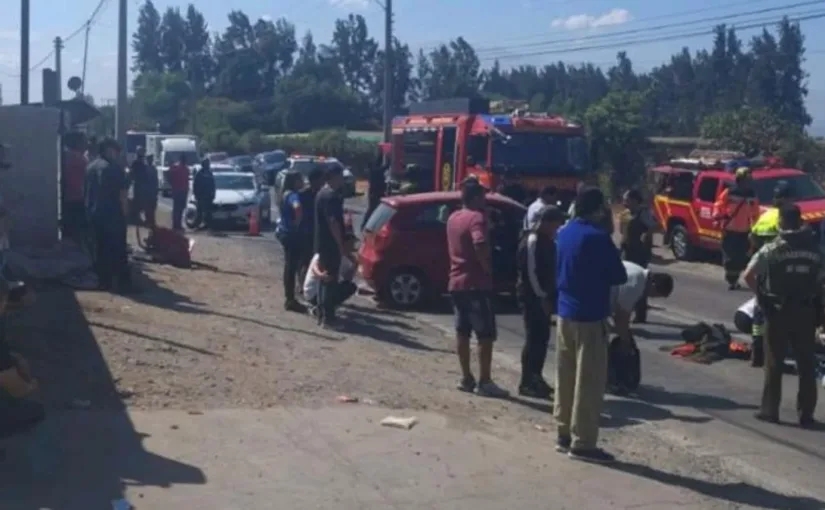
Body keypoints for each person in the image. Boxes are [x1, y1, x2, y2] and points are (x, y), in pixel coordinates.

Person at [554, 185, 627, 463]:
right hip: (590, 316)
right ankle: (583, 442)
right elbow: (618, 275)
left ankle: (563, 431)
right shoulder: (598, 238)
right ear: (599, 210)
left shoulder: (565, 232)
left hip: (565, 313)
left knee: (565, 375)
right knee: (589, 382)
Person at [742, 203, 820, 428]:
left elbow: (748, 275)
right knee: (806, 363)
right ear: (801, 221)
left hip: (777, 312)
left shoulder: (772, 249)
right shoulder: (815, 248)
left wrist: (762, 297)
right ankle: (806, 414)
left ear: (782, 222)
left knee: (774, 361)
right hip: (805, 312)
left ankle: (770, 410)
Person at [446, 179, 509, 398]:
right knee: (485, 335)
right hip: (475, 283)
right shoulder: (477, 219)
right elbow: (479, 243)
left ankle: (466, 377)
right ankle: (485, 380)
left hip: (456, 281)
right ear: (475, 198)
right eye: (482, 196)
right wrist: (488, 267)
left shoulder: (453, 218)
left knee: (462, 332)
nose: (485, 199)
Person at [517, 205, 565, 399]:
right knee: (533, 338)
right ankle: (527, 381)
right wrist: (542, 297)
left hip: (545, 296)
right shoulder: (532, 241)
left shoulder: (548, 241)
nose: (556, 229)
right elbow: (531, 273)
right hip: (532, 297)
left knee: (542, 338)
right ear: (545, 223)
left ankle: (536, 377)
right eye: (554, 225)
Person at [747, 183, 792, 367]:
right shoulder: (783, 218)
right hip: (779, 272)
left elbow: (752, 237)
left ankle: (757, 352)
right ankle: (776, 356)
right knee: (780, 314)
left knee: (760, 312)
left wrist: (757, 253)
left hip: (762, 269)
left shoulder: (765, 216)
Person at [85, 138, 132, 292]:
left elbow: (86, 193)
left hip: (94, 214)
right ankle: (122, 284)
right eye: (115, 150)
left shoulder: (90, 167)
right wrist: (125, 215)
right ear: (108, 150)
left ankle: (103, 281)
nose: (117, 154)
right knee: (118, 249)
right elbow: (122, 195)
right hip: (113, 215)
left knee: (100, 249)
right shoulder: (114, 169)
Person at [314, 164, 350, 327]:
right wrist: (340, 244)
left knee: (324, 278)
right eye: (341, 176)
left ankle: (322, 314)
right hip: (330, 244)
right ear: (334, 177)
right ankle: (328, 317)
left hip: (322, 242)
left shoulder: (321, 193)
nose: (343, 179)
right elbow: (333, 222)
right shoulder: (330, 196)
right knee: (330, 279)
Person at [713, 167, 761, 290]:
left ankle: (735, 279)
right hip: (730, 230)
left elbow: (755, 212)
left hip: (745, 231)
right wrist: (718, 217)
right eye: (746, 180)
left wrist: (755, 228)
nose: (748, 183)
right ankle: (731, 280)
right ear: (739, 180)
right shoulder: (729, 192)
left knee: (741, 257)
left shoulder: (752, 195)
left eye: (749, 180)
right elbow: (718, 205)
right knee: (730, 257)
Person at [619, 188, 656, 323]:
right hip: (625, 251)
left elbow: (654, 227)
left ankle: (640, 314)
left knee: (639, 283)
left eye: (626, 199)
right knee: (624, 282)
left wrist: (647, 236)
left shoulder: (643, 213)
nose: (624, 202)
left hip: (639, 253)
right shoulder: (624, 214)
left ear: (635, 200)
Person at [303, 233, 359, 314]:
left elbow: (347, 279)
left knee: (350, 287)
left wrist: (355, 266)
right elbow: (314, 267)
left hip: (326, 289)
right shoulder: (329, 253)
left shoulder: (345, 259)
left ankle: (328, 306)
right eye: (351, 244)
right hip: (313, 292)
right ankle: (321, 308)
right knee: (329, 287)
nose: (353, 247)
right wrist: (321, 275)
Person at [277, 171, 307, 313]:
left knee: (289, 267)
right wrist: (298, 221)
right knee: (292, 267)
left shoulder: (283, 194)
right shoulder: (293, 195)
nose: (302, 182)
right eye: (300, 179)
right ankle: (290, 299)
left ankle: (289, 297)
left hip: (285, 233)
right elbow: (297, 207)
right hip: (292, 234)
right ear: (295, 181)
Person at [298, 166, 325, 283]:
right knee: (305, 260)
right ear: (314, 180)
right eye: (321, 179)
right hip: (305, 232)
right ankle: (302, 283)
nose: (323, 182)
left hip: (318, 232)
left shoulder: (323, 195)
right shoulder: (303, 195)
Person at [61, 131, 88, 244]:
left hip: (68, 197)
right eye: (83, 141)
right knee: (78, 230)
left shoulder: (66, 155)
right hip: (78, 198)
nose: (86, 144)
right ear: (77, 143)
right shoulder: (79, 158)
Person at [130, 146, 159, 230]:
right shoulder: (138, 164)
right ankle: (142, 220)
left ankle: (148, 222)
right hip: (140, 188)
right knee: (141, 206)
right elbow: (133, 175)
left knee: (148, 208)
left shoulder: (146, 166)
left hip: (145, 189)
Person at [362, 150, 388, 231]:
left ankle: (366, 225)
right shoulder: (376, 171)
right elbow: (386, 166)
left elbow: (379, 161)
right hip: (376, 193)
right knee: (373, 209)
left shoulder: (373, 170)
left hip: (375, 192)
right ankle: (365, 225)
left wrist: (381, 151)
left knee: (372, 209)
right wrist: (389, 156)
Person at [192, 158, 216, 230]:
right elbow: (195, 185)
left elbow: (213, 184)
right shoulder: (199, 174)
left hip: (208, 196)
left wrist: (213, 193)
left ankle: (208, 225)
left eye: (208, 164)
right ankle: (197, 225)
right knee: (199, 211)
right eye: (206, 164)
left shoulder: (209, 173)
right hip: (201, 196)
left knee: (208, 212)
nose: (208, 165)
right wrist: (196, 194)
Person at [168, 154, 190, 231]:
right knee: (177, 209)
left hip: (183, 191)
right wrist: (173, 185)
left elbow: (187, 181)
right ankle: (175, 225)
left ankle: (178, 224)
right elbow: (169, 175)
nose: (184, 161)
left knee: (181, 208)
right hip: (177, 190)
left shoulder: (186, 169)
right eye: (183, 159)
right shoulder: (176, 168)